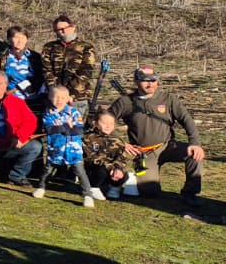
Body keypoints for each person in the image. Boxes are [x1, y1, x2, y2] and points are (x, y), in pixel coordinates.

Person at [106, 65, 203, 203]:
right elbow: (104, 122)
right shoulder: (125, 102)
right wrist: (122, 143)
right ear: (136, 81)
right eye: (145, 80)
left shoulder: (168, 99)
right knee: (149, 192)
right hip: (145, 152)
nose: (150, 84)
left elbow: (186, 119)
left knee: (195, 154)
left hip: (167, 146)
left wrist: (195, 143)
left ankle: (190, 193)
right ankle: (127, 178)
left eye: (153, 80)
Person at [36, 85, 96, 207]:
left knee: (80, 171)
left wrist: (62, 127)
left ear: (68, 98)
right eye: (56, 97)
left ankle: (87, 195)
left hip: (73, 149)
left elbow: (78, 130)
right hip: (56, 148)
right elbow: (50, 129)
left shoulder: (73, 112)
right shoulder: (48, 113)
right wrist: (67, 126)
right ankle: (41, 187)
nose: (59, 100)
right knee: (47, 170)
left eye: (63, 97)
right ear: (50, 97)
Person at [42, 14, 98, 109]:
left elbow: (86, 72)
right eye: (58, 30)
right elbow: (46, 70)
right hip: (55, 98)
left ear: (73, 27)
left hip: (77, 98)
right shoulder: (49, 47)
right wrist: (55, 92)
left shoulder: (86, 47)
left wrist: (69, 95)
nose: (62, 32)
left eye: (64, 28)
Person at [82, 109, 131, 200]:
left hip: (111, 171)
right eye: (104, 123)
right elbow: (91, 158)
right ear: (95, 123)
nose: (108, 126)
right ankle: (93, 187)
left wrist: (118, 168)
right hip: (94, 171)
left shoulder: (118, 140)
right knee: (101, 171)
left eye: (111, 124)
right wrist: (110, 168)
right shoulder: (87, 138)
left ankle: (114, 188)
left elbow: (122, 157)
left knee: (124, 174)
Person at [2, 26, 45, 111]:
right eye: (16, 37)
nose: (20, 41)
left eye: (23, 37)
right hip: (10, 98)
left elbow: (41, 76)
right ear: (9, 39)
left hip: (32, 98)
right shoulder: (2, 57)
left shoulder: (34, 56)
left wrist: (22, 86)